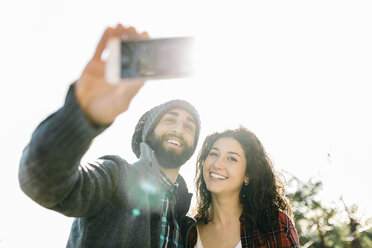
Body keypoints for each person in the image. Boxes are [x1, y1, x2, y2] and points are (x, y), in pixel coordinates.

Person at [18, 24, 201, 248]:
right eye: (170, 120)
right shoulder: (115, 176)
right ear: (149, 133)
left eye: (189, 126)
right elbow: (42, 182)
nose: (178, 129)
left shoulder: (187, 224)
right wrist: (81, 117)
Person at [185, 127, 300, 248]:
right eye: (214, 153)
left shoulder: (274, 225)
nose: (217, 164)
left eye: (232, 158)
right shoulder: (188, 231)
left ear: (248, 175)